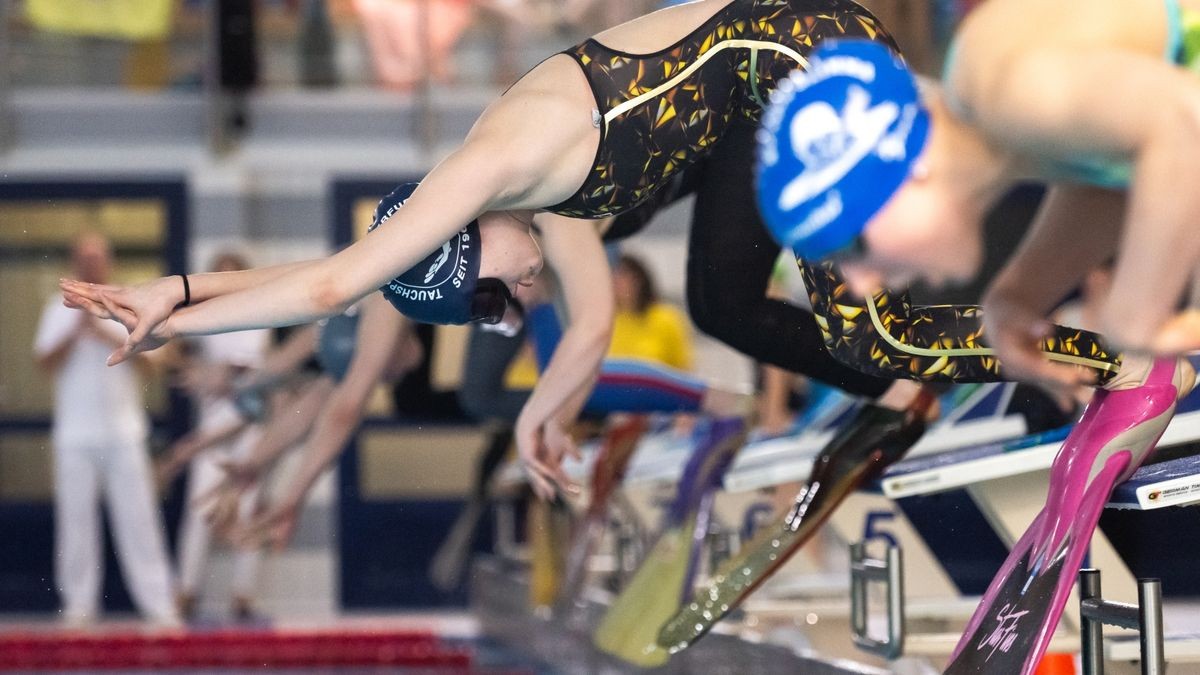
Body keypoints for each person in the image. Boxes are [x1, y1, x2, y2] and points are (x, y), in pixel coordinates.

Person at [61, 0, 1117, 501]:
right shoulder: (553, 215)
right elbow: (592, 330)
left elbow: (339, 279)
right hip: (756, 118)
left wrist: (172, 293)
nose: (516, 298)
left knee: (864, 320)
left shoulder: (493, 164)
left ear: (458, 234)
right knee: (719, 303)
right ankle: (903, 392)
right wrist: (541, 412)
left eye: (489, 292)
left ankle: (1107, 361)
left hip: (808, 54)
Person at [755, 0, 1200, 387]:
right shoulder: (1003, 120)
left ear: (904, 166)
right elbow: (1116, 182)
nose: (862, 284)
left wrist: (1135, 310)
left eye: (852, 245)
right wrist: (1020, 296)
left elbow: (1183, 123)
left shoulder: (1003, 86)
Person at [33, 232, 179, 627]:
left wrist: (102, 332)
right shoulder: (56, 309)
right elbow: (43, 362)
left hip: (124, 432)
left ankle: (160, 607)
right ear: (75, 264)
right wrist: (74, 331)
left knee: (140, 520)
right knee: (75, 524)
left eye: (97, 259)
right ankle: (79, 608)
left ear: (107, 264)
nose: (91, 266)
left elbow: (155, 364)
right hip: (74, 436)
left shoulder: (128, 305)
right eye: (84, 259)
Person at [160, 252, 270, 621]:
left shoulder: (263, 315)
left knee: (248, 502)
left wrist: (227, 374)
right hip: (215, 422)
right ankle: (187, 590)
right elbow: (180, 356)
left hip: (250, 422)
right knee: (201, 507)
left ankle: (244, 594)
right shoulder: (204, 319)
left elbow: (256, 374)